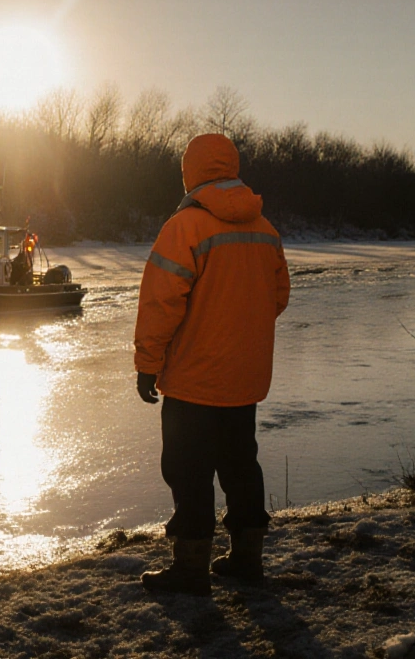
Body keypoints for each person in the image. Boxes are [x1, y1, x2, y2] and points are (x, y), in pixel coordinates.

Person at [134, 133, 290, 596]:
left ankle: (190, 569)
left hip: (193, 379)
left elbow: (161, 306)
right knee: (242, 465)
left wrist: (148, 364)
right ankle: (247, 559)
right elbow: (278, 297)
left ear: (191, 172)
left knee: (188, 470)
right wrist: (240, 331)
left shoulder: (185, 227)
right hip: (245, 378)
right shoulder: (265, 229)